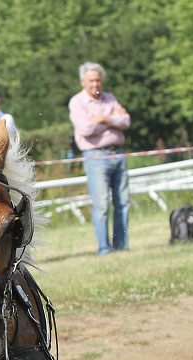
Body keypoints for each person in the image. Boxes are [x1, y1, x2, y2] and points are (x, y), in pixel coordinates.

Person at [69, 62, 131, 256]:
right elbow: (86, 129)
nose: (95, 84)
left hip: (117, 153)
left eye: (98, 80)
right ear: (83, 82)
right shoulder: (77, 102)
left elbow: (126, 121)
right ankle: (105, 248)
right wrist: (113, 119)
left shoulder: (109, 98)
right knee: (102, 205)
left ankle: (121, 245)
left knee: (123, 202)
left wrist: (102, 119)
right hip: (95, 157)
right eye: (91, 80)